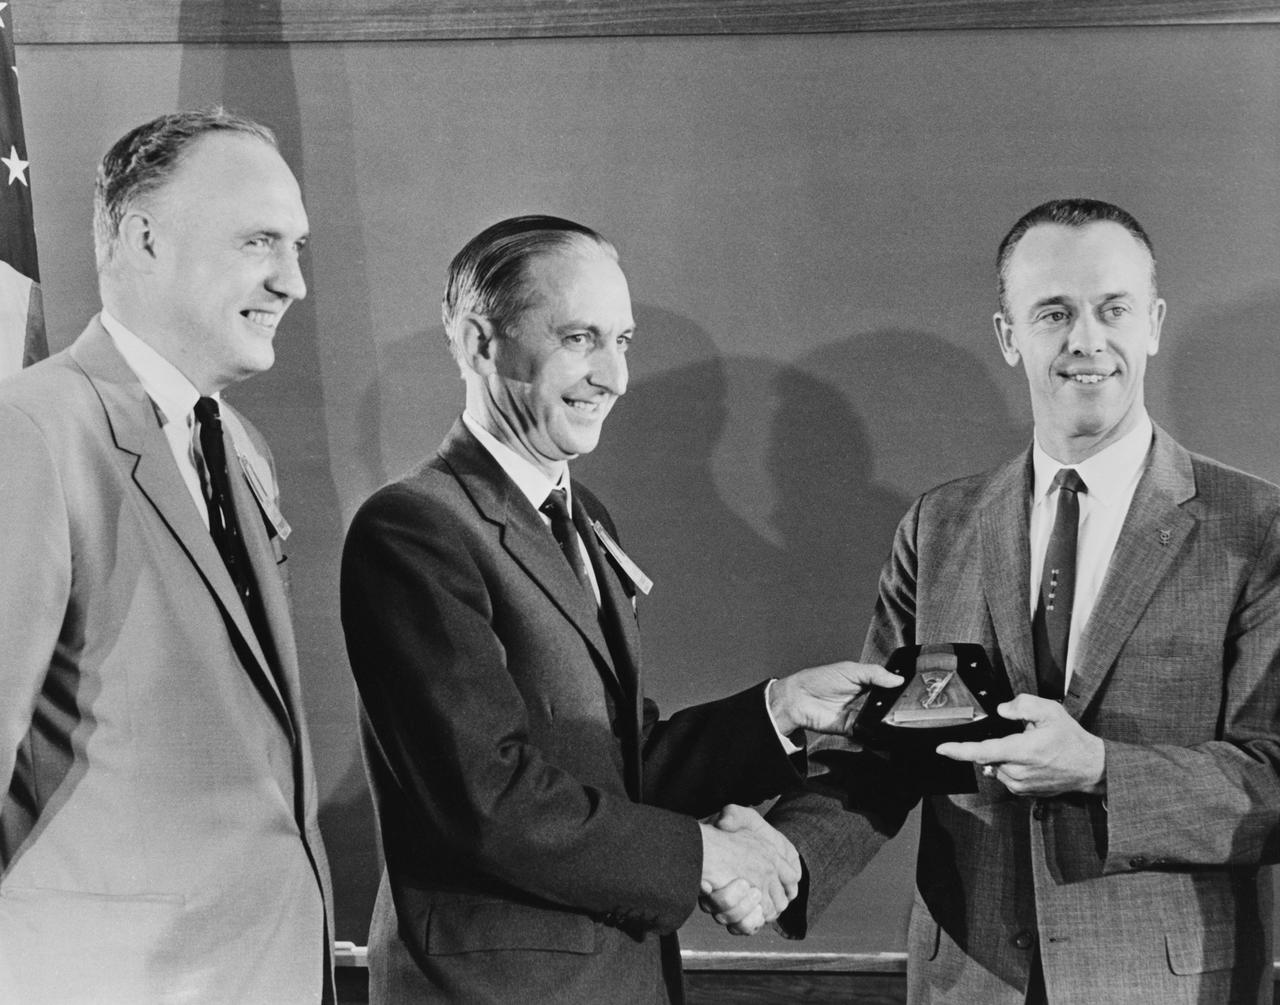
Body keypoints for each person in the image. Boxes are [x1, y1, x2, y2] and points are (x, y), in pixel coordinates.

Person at [340, 214, 900, 1004]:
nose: (614, 375)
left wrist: (778, 711)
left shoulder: (585, 517)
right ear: (477, 342)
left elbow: (621, 762)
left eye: (623, 340)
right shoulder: (413, 527)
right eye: (580, 338)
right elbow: (488, 798)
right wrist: (704, 854)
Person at [749, 199, 1280, 1004]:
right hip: (966, 978)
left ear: (1154, 323)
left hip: (1164, 985)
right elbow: (873, 749)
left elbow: (1272, 779)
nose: (1086, 341)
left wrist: (1100, 767)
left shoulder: (1259, 528)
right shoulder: (939, 525)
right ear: (1009, 335)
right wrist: (783, 861)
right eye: (1054, 313)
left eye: (1112, 310)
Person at [0, 110, 333, 1002]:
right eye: (261, 240)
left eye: (296, 246)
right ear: (144, 238)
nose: (293, 281)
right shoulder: (30, 431)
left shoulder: (240, 448)